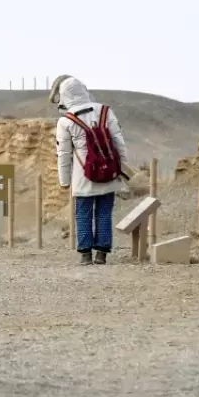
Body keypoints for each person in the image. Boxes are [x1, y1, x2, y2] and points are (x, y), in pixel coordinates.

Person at [51, 75, 131, 265]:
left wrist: (64, 181)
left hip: (83, 176)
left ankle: (85, 254)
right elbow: (119, 141)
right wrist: (123, 170)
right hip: (109, 174)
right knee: (104, 213)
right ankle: (102, 254)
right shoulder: (105, 111)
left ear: (64, 96)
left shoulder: (66, 121)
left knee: (83, 213)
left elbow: (64, 154)